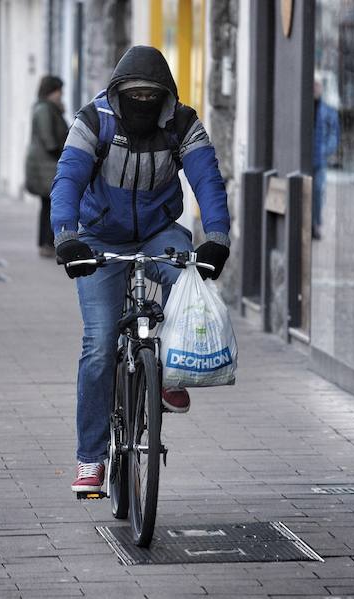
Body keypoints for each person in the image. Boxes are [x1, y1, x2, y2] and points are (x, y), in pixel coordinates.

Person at [50, 46, 231, 493]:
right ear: (117, 94)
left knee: (189, 278)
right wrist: (65, 236)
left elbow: (207, 179)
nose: (143, 102)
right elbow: (68, 177)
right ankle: (90, 460)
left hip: (158, 232)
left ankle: (166, 372)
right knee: (98, 345)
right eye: (135, 95)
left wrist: (217, 239)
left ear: (166, 96)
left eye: (153, 96)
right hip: (97, 237)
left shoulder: (183, 124)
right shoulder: (94, 121)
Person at [25, 75, 69, 258]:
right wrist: (64, 154)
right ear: (52, 91)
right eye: (59, 91)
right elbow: (49, 140)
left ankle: (46, 243)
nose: (61, 95)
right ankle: (48, 244)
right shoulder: (44, 109)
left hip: (45, 165)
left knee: (48, 206)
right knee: (52, 206)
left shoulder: (48, 108)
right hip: (47, 166)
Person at [312, 78, 339, 240]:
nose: (315, 88)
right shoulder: (304, 107)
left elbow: (334, 135)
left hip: (319, 160)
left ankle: (315, 224)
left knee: (317, 192)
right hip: (306, 159)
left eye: (318, 85)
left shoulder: (328, 111)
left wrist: (325, 150)